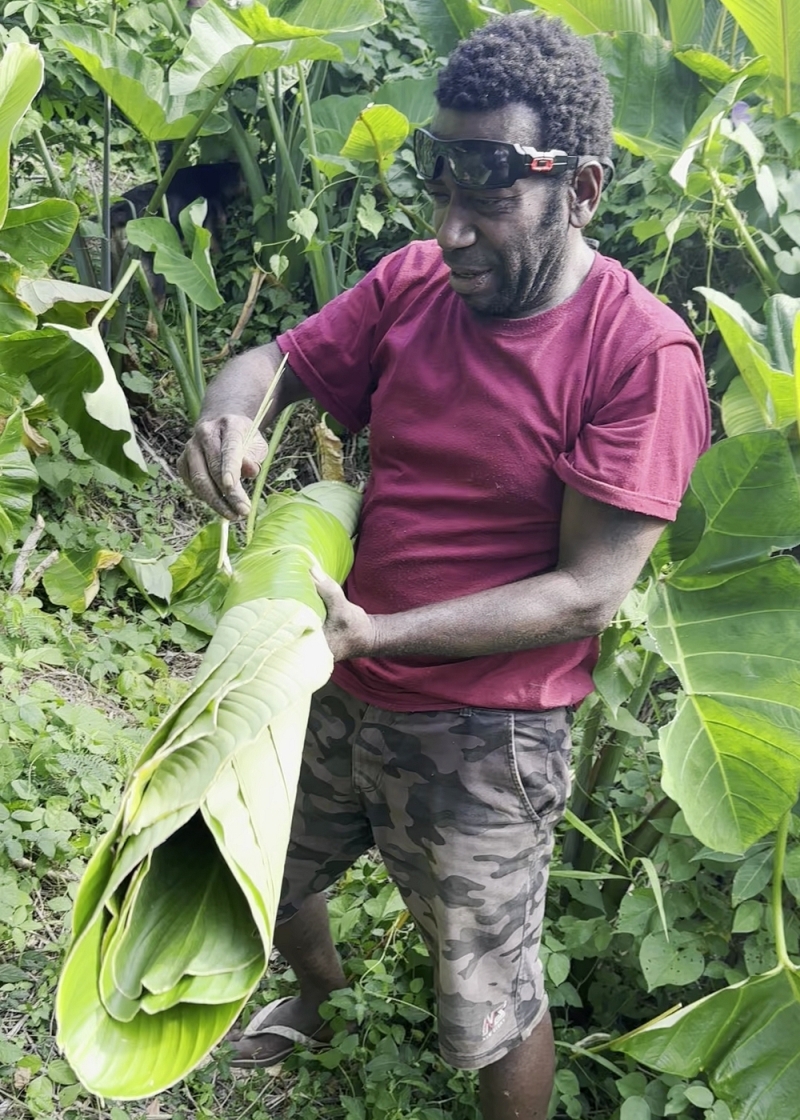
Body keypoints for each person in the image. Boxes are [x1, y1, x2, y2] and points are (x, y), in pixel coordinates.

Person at [178, 12, 710, 1120]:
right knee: (260, 859)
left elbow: (587, 590)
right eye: (440, 190)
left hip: (485, 734)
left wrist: (381, 634)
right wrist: (233, 412)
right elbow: (277, 357)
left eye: (488, 198)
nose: (452, 231)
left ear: (584, 190)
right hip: (333, 669)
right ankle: (317, 994)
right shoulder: (417, 282)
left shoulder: (635, 353)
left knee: (486, 991)